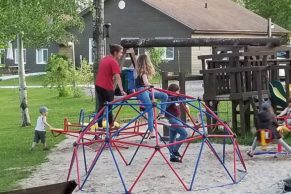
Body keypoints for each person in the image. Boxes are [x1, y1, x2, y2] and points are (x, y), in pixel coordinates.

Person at [135, 54, 168, 138]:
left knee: (164, 95)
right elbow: (146, 83)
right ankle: (151, 131)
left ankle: (162, 114)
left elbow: (146, 85)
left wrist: (152, 88)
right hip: (141, 91)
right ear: (147, 62)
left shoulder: (140, 71)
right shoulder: (143, 72)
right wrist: (153, 86)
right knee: (150, 110)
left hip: (145, 91)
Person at [95, 44, 126, 129]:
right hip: (106, 87)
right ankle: (111, 126)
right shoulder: (113, 62)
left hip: (98, 85)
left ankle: (100, 126)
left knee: (101, 106)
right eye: (120, 52)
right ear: (115, 52)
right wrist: (121, 90)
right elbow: (117, 76)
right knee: (109, 107)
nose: (121, 54)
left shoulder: (104, 59)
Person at [166, 84, 188, 162]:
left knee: (172, 140)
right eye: (177, 91)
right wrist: (172, 100)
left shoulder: (176, 97)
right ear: (173, 91)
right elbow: (164, 107)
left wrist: (180, 97)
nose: (178, 92)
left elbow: (183, 99)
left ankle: (172, 157)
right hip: (172, 120)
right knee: (184, 134)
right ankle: (175, 150)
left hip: (176, 119)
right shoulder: (168, 98)